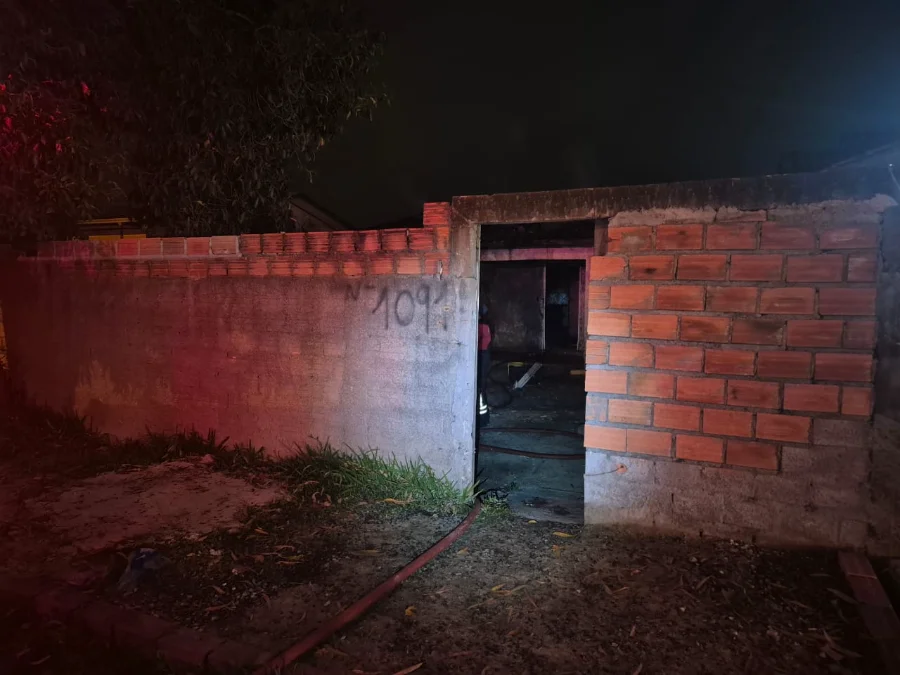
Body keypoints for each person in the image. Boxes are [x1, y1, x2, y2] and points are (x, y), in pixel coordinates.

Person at [478, 304, 492, 424]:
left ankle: (482, 419)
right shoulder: (485, 326)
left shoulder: (481, 327)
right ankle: (482, 417)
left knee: (480, 388)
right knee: (481, 387)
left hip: (481, 356)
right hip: (483, 355)